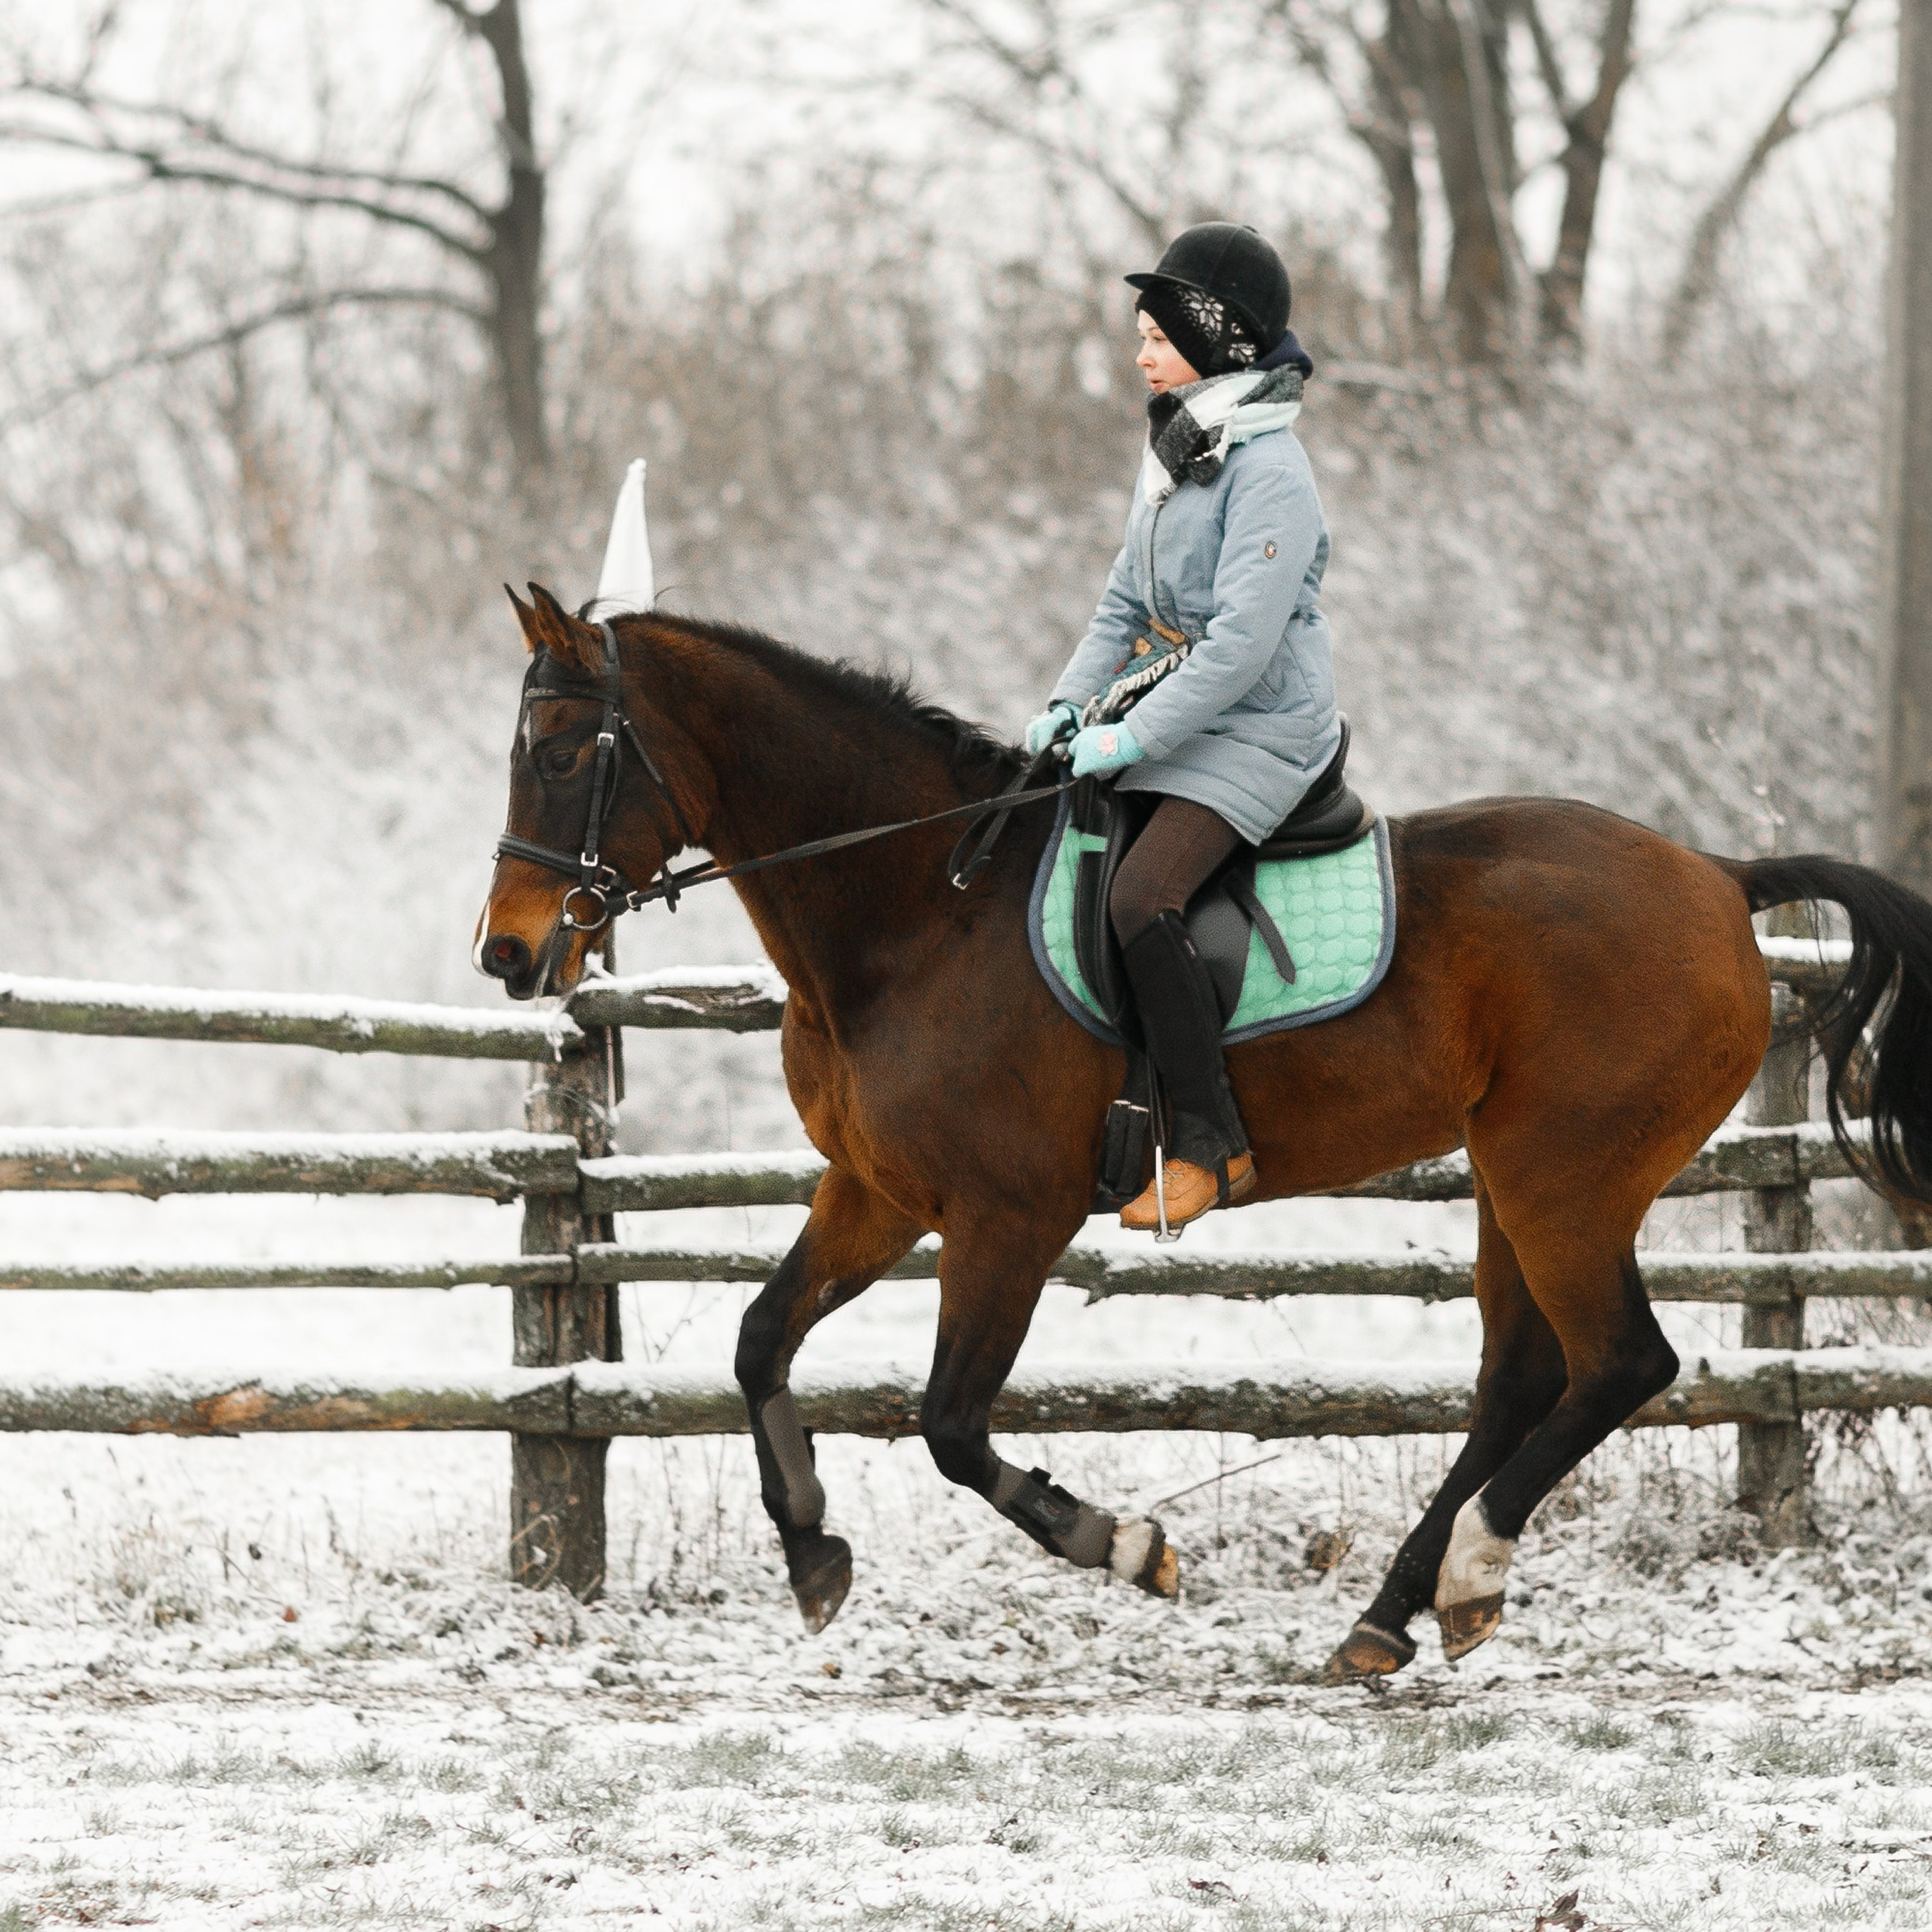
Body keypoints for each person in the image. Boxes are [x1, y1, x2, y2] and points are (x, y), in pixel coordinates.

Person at [1025, 221, 1340, 1233]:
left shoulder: (1272, 470)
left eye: (1158, 334)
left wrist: (1134, 738)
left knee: (1143, 895)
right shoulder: (1178, 446)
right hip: (1179, 710)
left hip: (1260, 732)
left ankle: (1211, 1142)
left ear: (1221, 339)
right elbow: (1124, 603)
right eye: (1141, 335)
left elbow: (1241, 651)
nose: (1141, 352)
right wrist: (1073, 702)